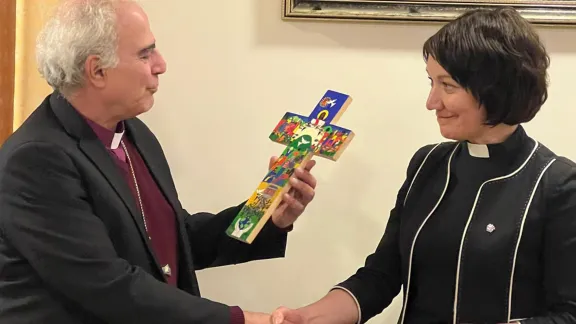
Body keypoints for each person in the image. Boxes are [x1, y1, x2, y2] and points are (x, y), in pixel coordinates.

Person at [0, 0, 318, 323]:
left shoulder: (131, 131)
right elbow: (111, 288)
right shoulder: (36, 160)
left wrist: (266, 215)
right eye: (145, 53)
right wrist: (243, 320)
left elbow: (174, 238)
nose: (161, 64)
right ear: (97, 71)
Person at [271, 7, 576, 324]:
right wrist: (305, 317)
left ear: (496, 87)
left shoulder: (559, 184)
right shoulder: (427, 164)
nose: (432, 102)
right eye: (431, 82)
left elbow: (569, 314)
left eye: (447, 85)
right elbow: (380, 276)